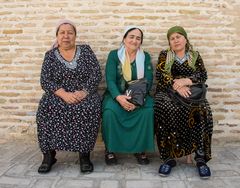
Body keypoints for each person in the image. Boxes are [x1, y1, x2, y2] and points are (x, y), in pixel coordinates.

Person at [36, 19, 102, 174]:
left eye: (70, 33)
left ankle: (84, 155)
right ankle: (49, 156)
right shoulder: (50, 55)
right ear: (57, 36)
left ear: (75, 36)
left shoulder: (86, 51)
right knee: (45, 108)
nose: (66, 36)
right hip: (59, 94)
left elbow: (96, 73)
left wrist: (84, 92)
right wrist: (64, 94)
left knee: (88, 108)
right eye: (62, 33)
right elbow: (45, 80)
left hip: (83, 93)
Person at [154, 26, 213, 179]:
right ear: (169, 43)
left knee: (202, 109)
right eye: (172, 38)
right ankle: (168, 158)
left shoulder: (194, 55)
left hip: (191, 92)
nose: (175, 40)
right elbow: (161, 75)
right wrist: (176, 86)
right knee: (164, 107)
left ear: (185, 39)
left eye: (178, 37)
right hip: (168, 91)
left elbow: (202, 74)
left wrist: (186, 81)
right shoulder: (165, 55)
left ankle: (200, 158)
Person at [102, 26, 155, 165]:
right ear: (124, 39)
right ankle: (110, 149)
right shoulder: (114, 55)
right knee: (109, 111)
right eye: (131, 37)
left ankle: (140, 149)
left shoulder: (145, 57)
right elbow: (110, 79)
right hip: (117, 94)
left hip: (139, 95)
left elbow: (148, 80)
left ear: (141, 42)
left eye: (138, 38)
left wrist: (137, 100)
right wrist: (119, 98)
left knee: (148, 110)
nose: (134, 40)